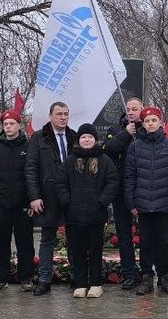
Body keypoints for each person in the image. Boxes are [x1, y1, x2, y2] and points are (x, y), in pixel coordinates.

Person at [55, 123, 119, 298]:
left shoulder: (104, 160)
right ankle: (81, 283)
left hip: (96, 215)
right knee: (78, 250)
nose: (86, 139)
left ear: (94, 139)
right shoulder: (70, 160)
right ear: (79, 140)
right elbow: (60, 183)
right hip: (74, 215)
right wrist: (67, 202)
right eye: (83, 137)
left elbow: (112, 182)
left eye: (90, 137)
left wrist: (102, 202)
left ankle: (96, 284)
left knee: (96, 250)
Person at [125, 106, 168, 296]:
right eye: (147, 121)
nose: (150, 124)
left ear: (160, 123)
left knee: (164, 242)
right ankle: (147, 276)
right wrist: (131, 202)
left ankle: (165, 276)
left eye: (154, 120)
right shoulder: (135, 146)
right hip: (142, 203)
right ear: (143, 123)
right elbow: (130, 176)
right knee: (146, 242)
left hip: (163, 204)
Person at [26, 102, 77, 296]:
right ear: (50, 116)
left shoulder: (74, 137)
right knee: (47, 239)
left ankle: (76, 276)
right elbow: (30, 169)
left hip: (71, 196)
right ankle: (45, 279)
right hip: (47, 196)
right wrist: (34, 196)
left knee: (74, 238)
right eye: (58, 114)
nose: (62, 117)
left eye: (65, 114)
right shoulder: (39, 138)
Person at [0, 110, 35, 292]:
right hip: (1, 203)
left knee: (25, 242)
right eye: (6, 124)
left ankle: (26, 276)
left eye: (12, 124)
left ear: (19, 125)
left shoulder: (29, 147)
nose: (8, 127)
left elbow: (32, 176)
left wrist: (32, 200)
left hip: (23, 203)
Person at [103, 97, 144, 289]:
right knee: (124, 235)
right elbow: (108, 151)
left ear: (142, 110)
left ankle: (147, 273)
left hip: (143, 191)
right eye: (128, 109)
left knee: (148, 236)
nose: (131, 112)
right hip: (121, 192)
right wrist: (126, 134)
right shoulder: (116, 131)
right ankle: (129, 273)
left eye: (135, 109)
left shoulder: (148, 128)